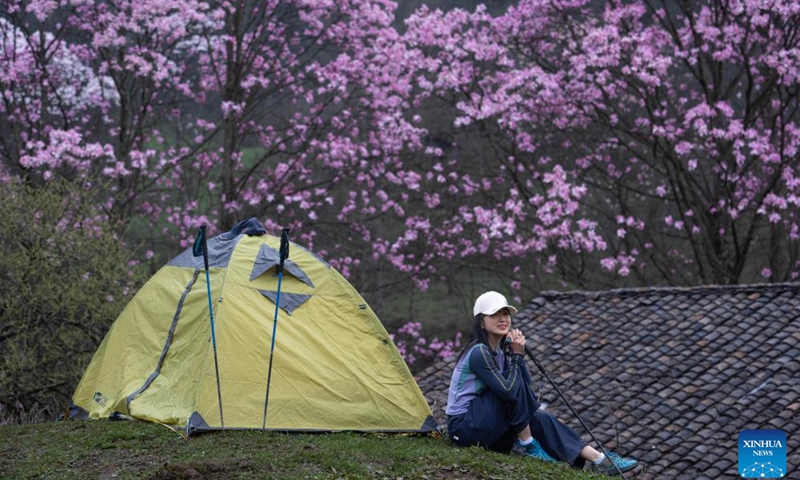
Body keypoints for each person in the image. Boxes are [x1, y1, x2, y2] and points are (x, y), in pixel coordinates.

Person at [445, 291, 639, 476]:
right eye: (495, 314)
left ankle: (600, 460)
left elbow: (525, 386)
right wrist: (517, 356)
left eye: (505, 313)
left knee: (541, 419)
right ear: (481, 322)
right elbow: (510, 392)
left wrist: (515, 354)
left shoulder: (500, 351)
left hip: (484, 423)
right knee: (513, 387)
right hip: (463, 428)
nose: (503, 319)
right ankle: (527, 445)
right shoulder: (479, 352)